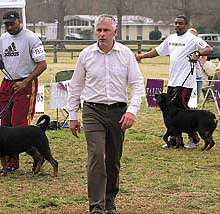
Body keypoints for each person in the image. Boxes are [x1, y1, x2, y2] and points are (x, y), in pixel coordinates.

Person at [67, 14, 145, 214]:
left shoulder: (126, 54)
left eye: (106, 30)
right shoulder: (86, 55)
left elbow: (137, 85)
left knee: (113, 160)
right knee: (96, 157)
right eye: (99, 30)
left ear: (115, 32)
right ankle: (96, 207)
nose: (101, 34)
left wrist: (132, 111)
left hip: (118, 112)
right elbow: (75, 86)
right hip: (93, 111)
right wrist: (73, 115)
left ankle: (109, 201)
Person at [135, 15, 213, 149]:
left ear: (187, 25)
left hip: (186, 82)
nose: (177, 25)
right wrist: (142, 56)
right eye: (176, 23)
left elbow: (209, 49)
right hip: (173, 81)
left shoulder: (193, 39)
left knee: (183, 111)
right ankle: (175, 140)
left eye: (180, 23)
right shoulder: (170, 39)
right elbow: (158, 51)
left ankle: (194, 139)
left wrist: (198, 54)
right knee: (170, 111)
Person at [0, 11, 47, 171]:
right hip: (7, 83)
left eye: (12, 24)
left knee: (19, 125)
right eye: (7, 25)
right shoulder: (3, 38)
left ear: (19, 21)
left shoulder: (31, 38)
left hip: (25, 84)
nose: (9, 27)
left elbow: (42, 64)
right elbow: (0, 61)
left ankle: (40, 155)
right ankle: (12, 163)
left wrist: (25, 82)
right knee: (6, 124)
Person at [189, 28, 208, 103]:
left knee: (195, 99)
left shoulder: (199, 45)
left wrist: (202, 64)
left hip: (198, 75)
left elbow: (205, 54)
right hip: (187, 77)